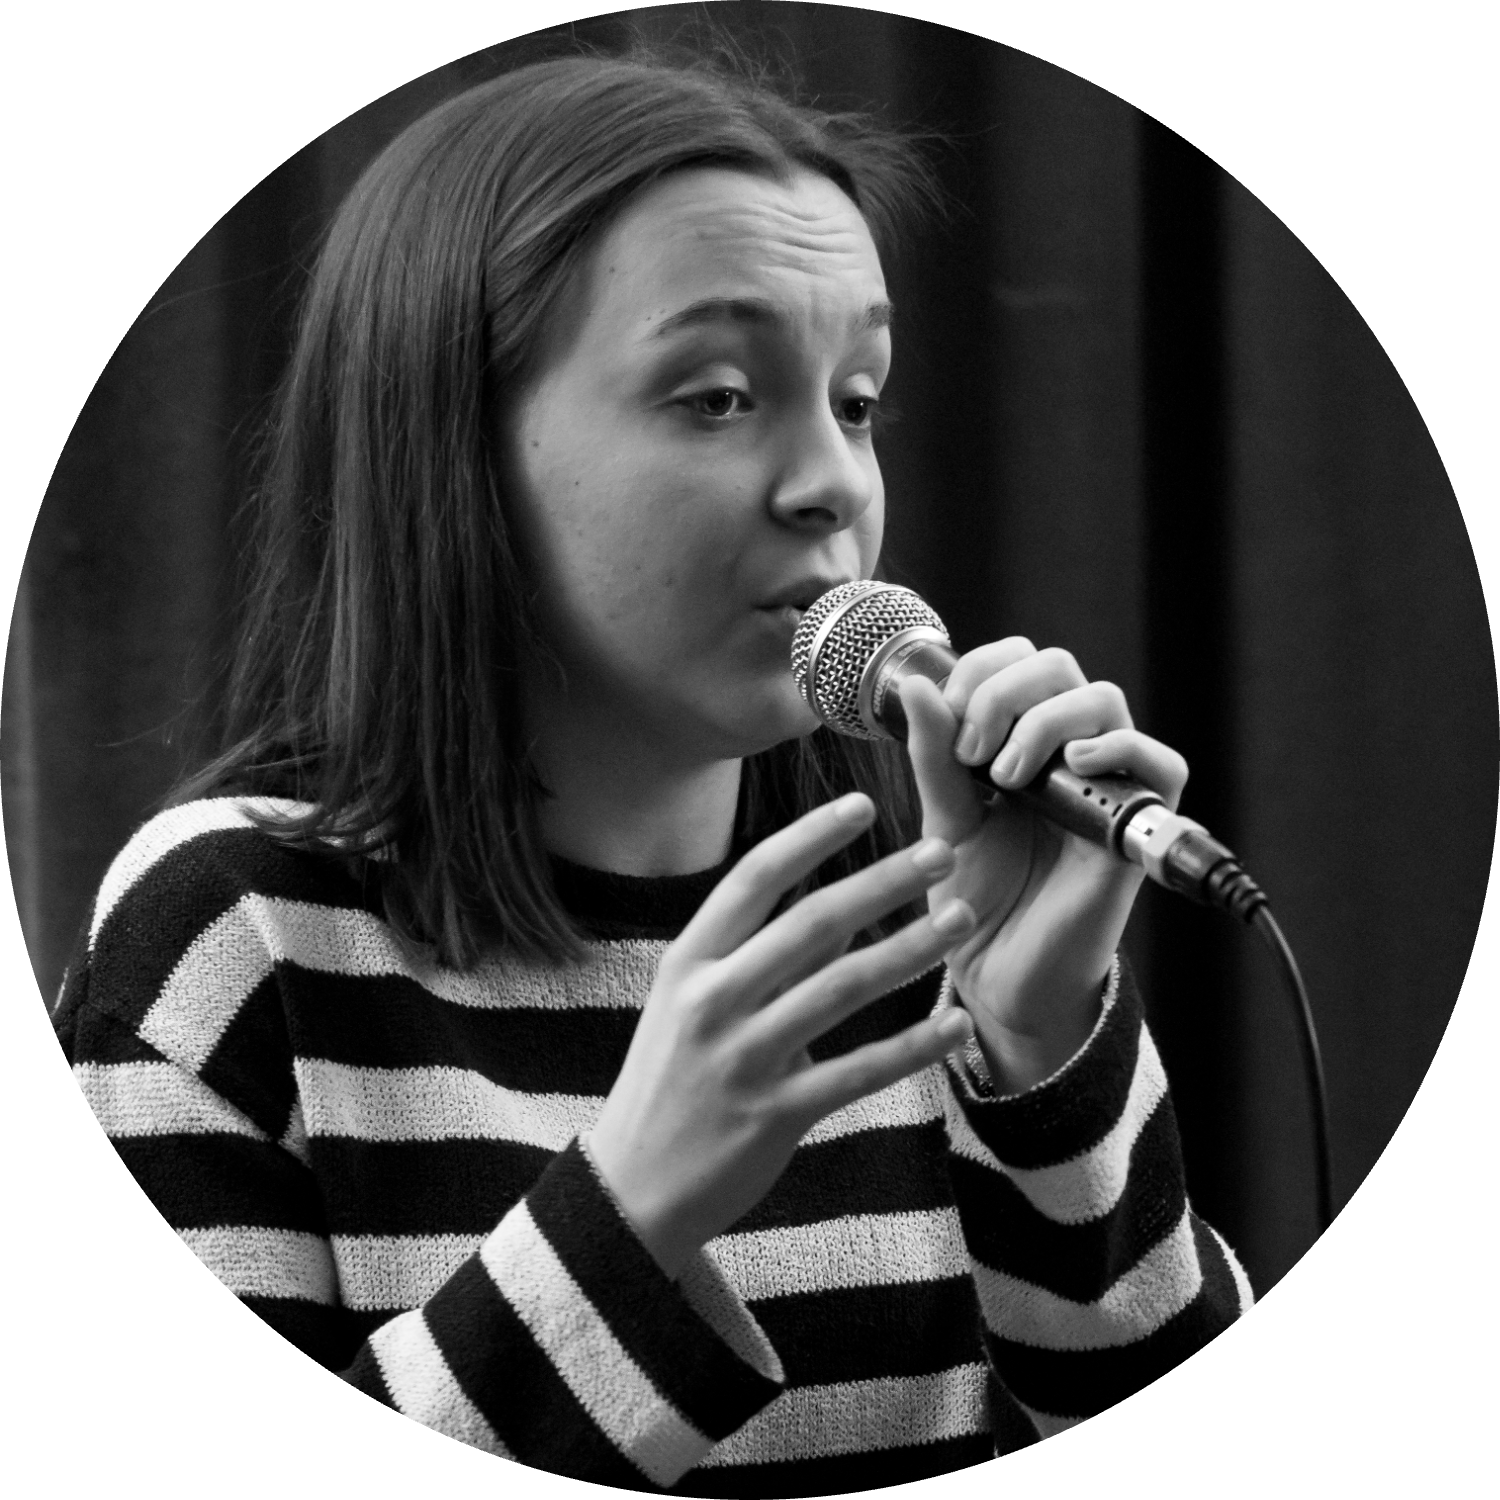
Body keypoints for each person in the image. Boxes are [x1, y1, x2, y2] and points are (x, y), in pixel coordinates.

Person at [54, 43, 1251, 1486]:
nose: (833, 484)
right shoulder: (237, 937)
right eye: (718, 396)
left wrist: (1041, 1049)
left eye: (858, 399)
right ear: (454, 446)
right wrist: (623, 1218)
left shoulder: (925, 923)